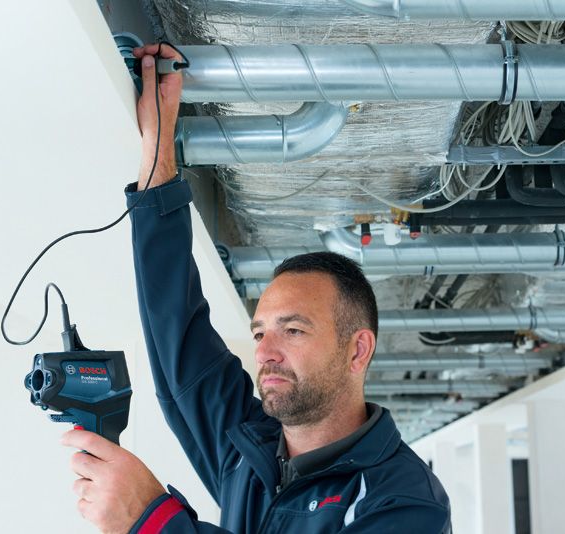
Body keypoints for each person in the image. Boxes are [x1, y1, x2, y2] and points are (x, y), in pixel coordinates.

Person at [61, 43, 451, 533]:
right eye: (260, 330)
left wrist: (153, 521)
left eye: (293, 331)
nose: (264, 351)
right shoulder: (251, 451)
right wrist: (158, 154)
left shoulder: (404, 502)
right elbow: (180, 342)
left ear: (358, 350)